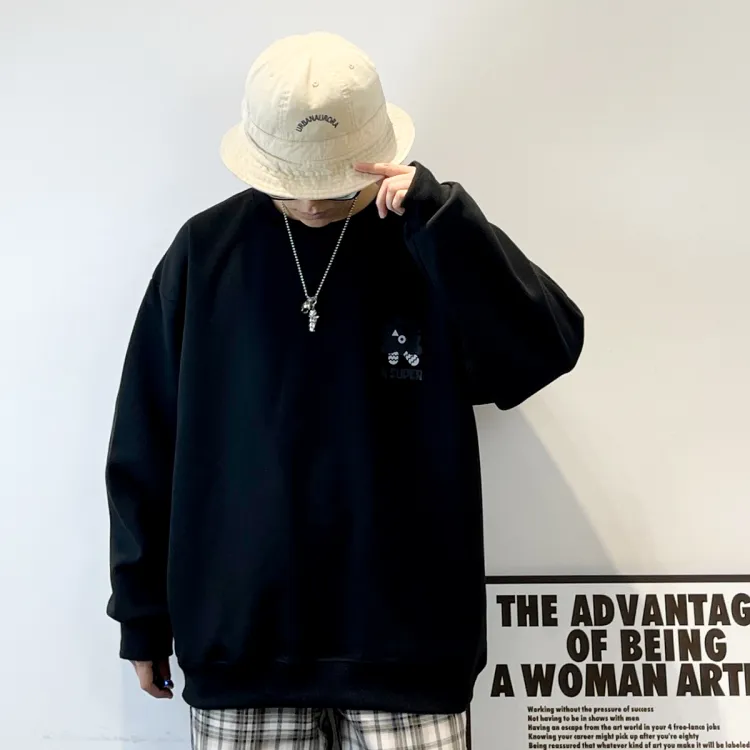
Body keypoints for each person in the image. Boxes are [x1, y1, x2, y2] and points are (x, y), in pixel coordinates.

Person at [105, 31, 584, 750]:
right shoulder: (204, 253)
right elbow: (144, 442)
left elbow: (543, 353)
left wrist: (444, 222)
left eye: (328, 179)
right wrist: (141, 615)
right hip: (245, 649)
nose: (309, 200)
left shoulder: (428, 238)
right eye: (289, 178)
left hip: (409, 650)